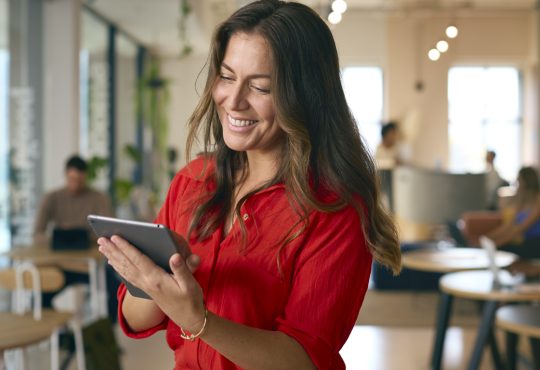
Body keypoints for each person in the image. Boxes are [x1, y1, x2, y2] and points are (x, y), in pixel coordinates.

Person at [97, 1, 401, 369]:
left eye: (260, 87)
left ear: (304, 96)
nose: (234, 101)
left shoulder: (335, 210)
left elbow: (304, 360)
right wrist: (152, 279)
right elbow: (136, 318)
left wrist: (197, 320)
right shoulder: (193, 181)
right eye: (226, 77)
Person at [33, 155, 120, 321]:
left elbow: (110, 232)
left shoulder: (98, 198)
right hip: (60, 265)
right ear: (65, 175)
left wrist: (83, 239)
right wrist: (61, 239)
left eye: (79, 180)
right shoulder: (52, 198)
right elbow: (37, 233)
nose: (75, 184)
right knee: (39, 298)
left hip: (91, 266)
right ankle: (63, 335)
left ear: (85, 177)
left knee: (117, 291)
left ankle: (103, 333)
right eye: (71, 179)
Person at [486, 166, 540, 259]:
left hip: (535, 243)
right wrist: (486, 238)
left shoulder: (537, 200)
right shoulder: (521, 201)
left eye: (519, 180)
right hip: (525, 242)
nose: (516, 183)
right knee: (497, 248)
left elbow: (521, 228)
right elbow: (508, 227)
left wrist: (498, 243)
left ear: (526, 181)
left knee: (502, 249)